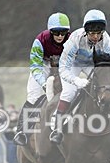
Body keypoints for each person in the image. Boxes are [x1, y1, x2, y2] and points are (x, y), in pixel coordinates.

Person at [49, 9, 110, 145]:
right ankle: (57, 129)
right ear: (86, 31)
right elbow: (63, 68)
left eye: (98, 33)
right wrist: (76, 81)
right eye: (92, 33)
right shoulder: (75, 39)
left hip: (92, 64)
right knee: (70, 91)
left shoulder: (105, 39)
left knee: (105, 90)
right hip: (73, 65)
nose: (95, 37)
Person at [13, 12, 71, 146]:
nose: (60, 36)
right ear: (50, 32)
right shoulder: (40, 40)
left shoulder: (72, 39)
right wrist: (44, 84)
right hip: (43, 65)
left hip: (64, 66)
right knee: (33, 95)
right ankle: (21, 132)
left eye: (63, 32)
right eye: (56, 33)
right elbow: (35, 65)